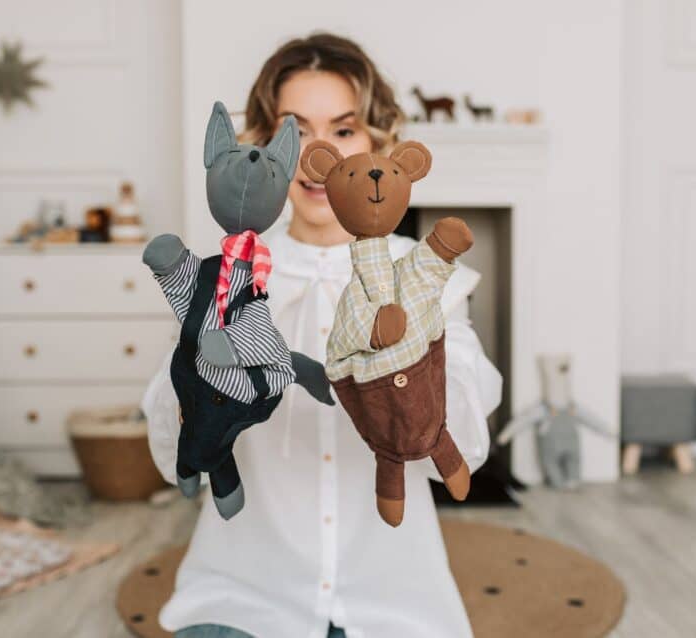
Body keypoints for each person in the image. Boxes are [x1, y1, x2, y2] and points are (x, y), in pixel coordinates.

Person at [141, 32, 502, 638]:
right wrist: (198, 384)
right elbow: (167, 454)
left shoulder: (427, 281)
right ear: (265, 146)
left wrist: (419, 366)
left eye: (343, 129)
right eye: (297, 129)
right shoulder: (226, 280)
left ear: (378, 144)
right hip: (241, 598)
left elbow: (464, 454)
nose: (318, 154)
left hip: (396, 605)